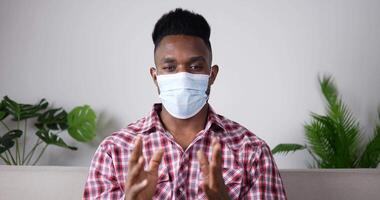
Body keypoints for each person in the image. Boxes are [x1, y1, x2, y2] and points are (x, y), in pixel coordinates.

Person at [83, 8, 287, 200]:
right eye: (170, 67)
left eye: (196, 66)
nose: (182, 76)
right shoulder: (114, 151)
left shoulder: (251, 151)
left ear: (212, 75)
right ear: (155, 76)